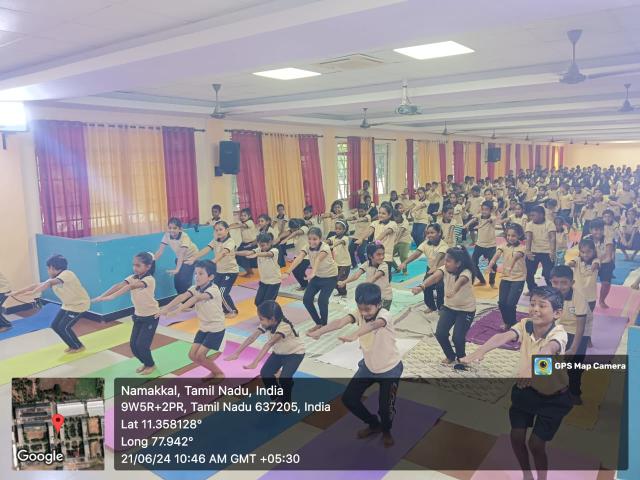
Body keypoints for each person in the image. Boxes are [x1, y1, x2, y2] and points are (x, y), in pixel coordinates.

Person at [462, 286, 571, 480]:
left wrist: (531, 369)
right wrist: (480, 351)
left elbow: (547, 351)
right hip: (526, 389)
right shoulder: (526, 324)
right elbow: (503, 336)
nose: (535, 309)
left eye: (542, 305)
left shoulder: (559, 334)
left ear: (557, 313)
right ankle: (526, 474)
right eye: (532, 304)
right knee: (516, 437)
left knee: (536, 444)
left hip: (553, 398)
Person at [308, 283, 402, 448]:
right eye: (360, 308)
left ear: (379, 304)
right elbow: (340, 322)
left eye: (368, 309)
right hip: (368, 367)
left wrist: (355, 334)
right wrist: (319, 332)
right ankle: (374, 424)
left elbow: (373, 325)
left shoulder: (384, 315)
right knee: (349, 399)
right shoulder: (359, 313)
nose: (363, 313)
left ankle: (386, 430)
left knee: (385, 409)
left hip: (389, 369)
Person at [226, 300, 305, 403]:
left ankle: (286, 402)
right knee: (265, 373)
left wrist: (255, 362)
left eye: (261, 319)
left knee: (284, 379)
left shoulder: (284, 326)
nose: (260, 322)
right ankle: (277, 398)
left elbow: (269, 344)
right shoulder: (267, 323)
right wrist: (237, 353)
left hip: (294, 354)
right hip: (279, 352)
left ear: (272, 319)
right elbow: (252, 337)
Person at [158, 260, 225, 379]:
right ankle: (214, 371)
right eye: (195, 273)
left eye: (201, 274)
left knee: (200, 355)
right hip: (204, 327)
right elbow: (182, 296)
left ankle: (219, 373)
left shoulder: (213, 290)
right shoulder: (195, 288)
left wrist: (178, 310)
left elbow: (196, 298)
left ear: (210, 277)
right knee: (192, 355)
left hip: (216, 328)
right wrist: (165, 308)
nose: (196, 277)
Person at [93, 252, 159, 374]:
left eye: (138, 265)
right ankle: (146, 363)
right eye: (133, 265)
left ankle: (151, 365)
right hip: (138, 316)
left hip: (151, 316)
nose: (135, 268)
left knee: (142, 345)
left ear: (148, 266)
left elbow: (129, 287)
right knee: (133, 345)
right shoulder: (133, 277)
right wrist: (101, 296)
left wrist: (111, 297)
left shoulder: (149, 279)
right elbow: (118, 285)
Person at [411, 246, 476, 366]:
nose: (445, 263)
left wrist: (453, 290)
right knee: (440, 334)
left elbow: (461, 281)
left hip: (466, 310)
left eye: (448, 261)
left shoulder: (466, 272)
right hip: (449, 308)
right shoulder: (445, 269)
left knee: (457, 338)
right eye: (445, 260)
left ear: (458, 263)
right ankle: (450, 355)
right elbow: (435, 277)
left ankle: (461, 357)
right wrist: (422, 286)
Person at [12, 254, 90, 353]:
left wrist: (33, 292)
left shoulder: (67, 274)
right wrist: (17, 292)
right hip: (68, 305)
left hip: (79, 305)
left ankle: (78, 346)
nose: (48, 270)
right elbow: (36, 285)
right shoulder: (54, 278)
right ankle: (72, 345)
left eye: (48, 268)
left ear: (52, 268)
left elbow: (49, 284)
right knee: (55, 325)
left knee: (63, 327)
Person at [285, 227, 338, 332]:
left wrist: (313, 272)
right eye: (309, 239)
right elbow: (299, 258)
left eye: (315, 239)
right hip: (317, 276)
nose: (311, 241)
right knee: (306, 300)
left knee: (322, 301)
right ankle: (318, 323)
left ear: (320, 239)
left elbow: (318, 259)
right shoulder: (307, 246)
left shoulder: (325, 247)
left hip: (330, 277)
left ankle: (324, 325)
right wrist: (287, 272)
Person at [550, 265, 590, 405]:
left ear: (572, 283)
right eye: (555, 282)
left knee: (575, 365)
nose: (559, 286)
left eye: (564, 283)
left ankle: (574, 392)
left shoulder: (579, 298)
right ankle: (547, 386)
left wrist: (573, 348)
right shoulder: (550, 295)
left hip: (579, 330)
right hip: (560, 327)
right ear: (550, 281)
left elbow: (581, 327)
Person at [190, 221, 239, 318]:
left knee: (222, 293)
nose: (218, 232)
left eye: (220, 229)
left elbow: (223, 253)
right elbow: (206, 249)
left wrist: (212, 262)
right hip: (219, 272)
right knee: (214, 291)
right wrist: (194, 257)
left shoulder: (230, 242)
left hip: (230, 272)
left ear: (227, 230)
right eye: (216, 230)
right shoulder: (215, 240)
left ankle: (232, 311)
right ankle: (221, 309)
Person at [400, 223, 448, 313]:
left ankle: (441, 307)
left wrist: (435, 266)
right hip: (430, 269)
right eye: (428, 233)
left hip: (442, 271)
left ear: (439, 233)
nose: (429, 235)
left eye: (432, 233)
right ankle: (431, 306)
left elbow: (440, 255)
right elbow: (416, 254)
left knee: (440, 288)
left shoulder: (443, 245)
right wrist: (405, 262)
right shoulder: (425, 243)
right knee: (426, 287)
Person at [488, 224, 526, 329]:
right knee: (501, 303)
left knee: (510, 304)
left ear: (519, 236)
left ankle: (513, 324)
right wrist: (491, 264)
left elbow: (516, 257)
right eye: (508, 235)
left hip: (518, 279)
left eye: (513, 236)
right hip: (505, 278)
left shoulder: (522, 248)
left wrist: (510, 267)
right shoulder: (503, 246)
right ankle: (507, 322)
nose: (510, 238)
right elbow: (496, 255)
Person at [338, 243, 393, 310]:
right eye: (378, 254)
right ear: (370, 256)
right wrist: (344, 282)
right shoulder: (367, 264)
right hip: (373, 296)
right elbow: (356, 275)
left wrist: (363, 288)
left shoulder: (384, 265)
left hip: (384, 297)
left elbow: (374, 278)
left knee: (380, 315)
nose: (382, 257)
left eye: (383, 254)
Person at [154, 217, 199, 294]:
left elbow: (181, 254)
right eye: (170, 228)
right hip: (180, 258)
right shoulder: (167, 235)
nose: (172, 230)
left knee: (184, 281)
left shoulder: (185, 237)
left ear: (180, 229)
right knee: (177, 283)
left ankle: (189, 299)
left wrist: (177, 270)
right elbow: (160, 251)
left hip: (191, 258)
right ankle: (182, 298)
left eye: (175, 228)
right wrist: (152, 260)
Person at [235, 233, 281, 306]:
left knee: (267, 303)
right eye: (259, 245)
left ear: (269, 243)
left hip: (274, 282)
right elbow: (248, 252)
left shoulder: (274, 250)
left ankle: (273, 312)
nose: (261, 247)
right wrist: (234, 253)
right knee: (258, 302)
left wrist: (256, 254)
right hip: (264, 281)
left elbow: (268, 254)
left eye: (263, 245)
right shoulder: (259, 249)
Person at [356, 204, 398, 281]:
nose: (380, 215)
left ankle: (386, 287)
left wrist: (375, 242)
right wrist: (361, 239)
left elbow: (385, 233)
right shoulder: (375, 223)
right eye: (379, 213)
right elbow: (369, 231)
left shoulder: (393, 224)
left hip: (386, 256)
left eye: (383, 213)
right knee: (375, 276)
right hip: (375, 255)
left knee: (386, 277)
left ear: (389, 215)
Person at [465, 200, 498, 287]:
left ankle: (492, 282)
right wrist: (466, 225)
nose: (484, 211)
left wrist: (480, 226)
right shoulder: (479, 216)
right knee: (473, 263)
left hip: (491, 246)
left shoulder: (493, 218)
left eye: (486, 209)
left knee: (493, 265)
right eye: (483, 209)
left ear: (491, 210)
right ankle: (482, 280)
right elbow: (474, 219)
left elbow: (489, 220)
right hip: (479, 245)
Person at [524, 206, 556, 293]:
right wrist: (528, 251)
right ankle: (532, 289)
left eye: (533, 215)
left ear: (541, 215)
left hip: (547, 252)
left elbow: (552, 238)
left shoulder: (549, 224)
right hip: (533, 252)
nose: (531, 217)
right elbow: (529, 238)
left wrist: (552, 252)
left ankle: (550, 291)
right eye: (531, 215)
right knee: (529, 273)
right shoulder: (530, 224)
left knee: (548, 274)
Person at [588, 219, 615, 309]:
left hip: (605, 263)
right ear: (590, 230)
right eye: (596, 230)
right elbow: (583, 254)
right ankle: (587, 298)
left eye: (601, 229)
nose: (599, 232)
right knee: (585, 281)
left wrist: (598, 264)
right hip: (591, 262)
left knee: (606, 282)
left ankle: (602, 300)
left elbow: (608, 257)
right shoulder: (586, 239)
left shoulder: (608, 240)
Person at [279, 219, 310, 290]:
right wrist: (279, 238)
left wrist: (286, 239)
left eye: (295, 228)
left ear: (299, 226)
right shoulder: (292, 231)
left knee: (301, 271)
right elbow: (286, 233)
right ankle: (304, 285)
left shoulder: (304, 228)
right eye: (292, 229)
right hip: (297, 255)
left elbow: (296, 232)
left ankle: (306, 285)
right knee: (295, 271)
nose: (294, 230)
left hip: (307, 255)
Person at [327, 220, 352, 298]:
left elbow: (340, 242)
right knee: (334, 280)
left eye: (339, 229)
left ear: (344, 230)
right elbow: (328, 240)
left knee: (341, 280)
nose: (337, 230)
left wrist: (333, 245)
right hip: (337, 263)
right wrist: (321, 243)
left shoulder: (345, 238)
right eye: (336, 228)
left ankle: (344, 293)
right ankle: (340, 292)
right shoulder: (333, 237)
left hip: (345, 264)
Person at [231, 208, 258, 277]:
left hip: (251, 244)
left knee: (245, 258)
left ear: (249, 216)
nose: (242, 217)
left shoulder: (250, 222)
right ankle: (249, 272)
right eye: (241, 215)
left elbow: (242, 225)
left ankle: (250, 272)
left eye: (244, 215)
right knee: (238, 256)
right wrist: (227, 226)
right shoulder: (241, 222)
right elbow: (236, 224)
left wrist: (230, 228)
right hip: (244, 243)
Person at [348, 204, 372, 268]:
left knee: (360, 252)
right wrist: (345, 219)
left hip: (364, 238)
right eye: (359, 211)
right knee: (350, 250)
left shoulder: (368, 216)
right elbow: (352, 218)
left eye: (362, 211)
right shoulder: (357, 215)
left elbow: (363, 219)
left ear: (366, 211)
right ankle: (354, 264)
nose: (360, 213)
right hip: (356, 236)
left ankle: (365, 266)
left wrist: (356, 221)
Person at [392, 205, 412, 274]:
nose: (395, 219)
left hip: (404, 241)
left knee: (403, 256)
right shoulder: (393, 223)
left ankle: (405, 271)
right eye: (394, 217)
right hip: (395, 241)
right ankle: (397, 268)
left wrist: (396, 241)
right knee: (387, 255)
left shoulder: (405, 221)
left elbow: (401, 232)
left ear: (400, 216)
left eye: (397, 217)